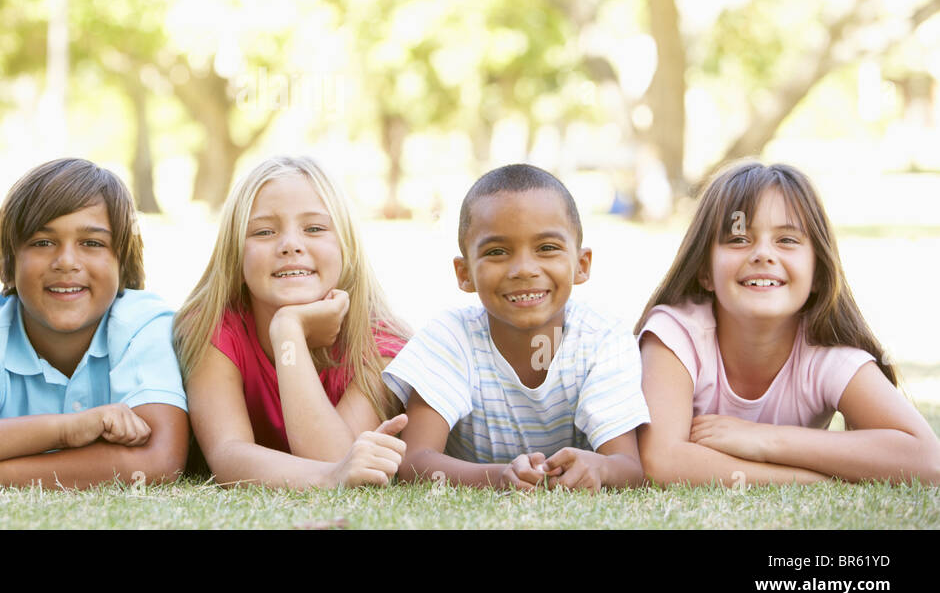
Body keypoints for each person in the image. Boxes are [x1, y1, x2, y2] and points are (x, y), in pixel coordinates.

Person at [0, 158, 188, 488]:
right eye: (42, 242)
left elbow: (160, 460)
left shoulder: (142, 324)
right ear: (10, 262)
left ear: (122, 262)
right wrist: (65, 429)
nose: (66, 262)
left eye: (92, 243)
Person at [635, 160, 940, 486]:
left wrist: (765, 440)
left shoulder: (827, 353)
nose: (763, 254)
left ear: (818, 274)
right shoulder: (675, 335)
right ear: (705, 271)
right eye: (738, 240)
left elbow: (927, 460)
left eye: (787, 240)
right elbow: (661, 461)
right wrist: (808, 480)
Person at [385, 164, 647, 490]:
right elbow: (413, 463)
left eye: (547, 248)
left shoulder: (604, 339)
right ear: (464, 273)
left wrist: (600, 469)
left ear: (581, 265)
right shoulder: (451, 337)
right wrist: (499, 477)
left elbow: (630, 470)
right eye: (497, 252)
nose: (524, 269)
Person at [173, 155, 410, 488]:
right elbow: (227, 455)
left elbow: (334, 456)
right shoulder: (214, 327)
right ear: (235, 257)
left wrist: (288, 331)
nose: (290, 246)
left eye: (314, 228)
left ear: (347, 247)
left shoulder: (380, 345)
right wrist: (290, 330)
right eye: (264, 231)